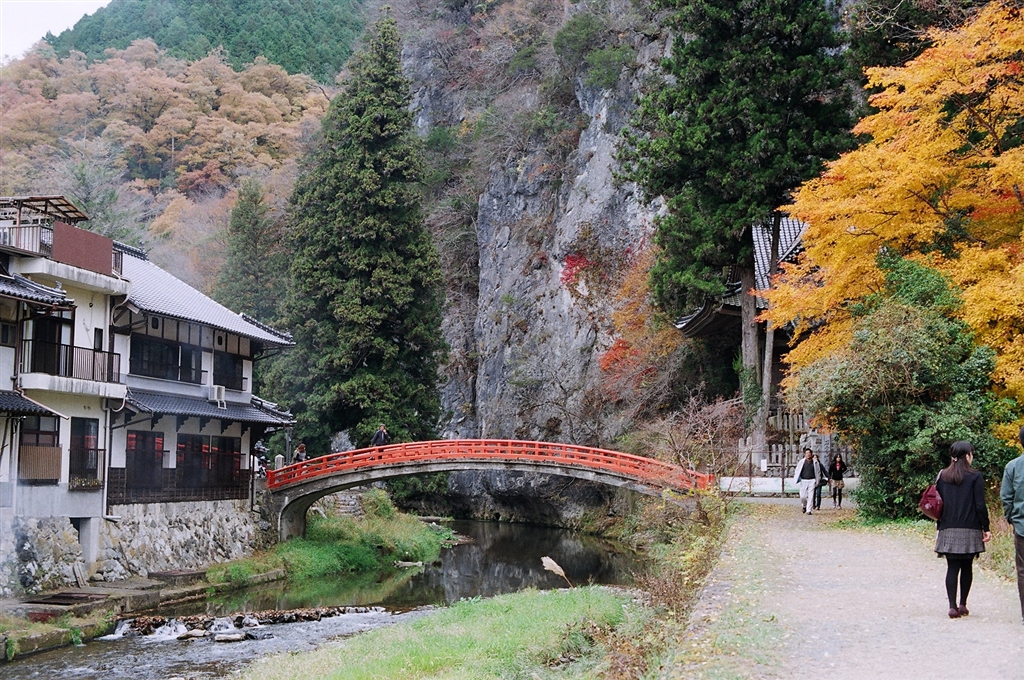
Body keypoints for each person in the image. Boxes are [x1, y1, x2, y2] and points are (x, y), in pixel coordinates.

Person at [934, 441, 991, 619]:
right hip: (970, 527)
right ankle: (963, 604)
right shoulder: (975, 476)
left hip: (948, 527)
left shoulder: (942, 475)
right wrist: (986, 527)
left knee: (952, 567)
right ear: (967, 455)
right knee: (967, 566)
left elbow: (938, 502)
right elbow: (980, 505)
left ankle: (952, 607)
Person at [1000, 425, 1024, 624]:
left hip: (1022, 526)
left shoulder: (1013, 466)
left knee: (1023, 571)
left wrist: (1012, 518)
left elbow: (1006, 497)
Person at [792, 447, 824, 514]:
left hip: (812, 480)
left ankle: (809, 510)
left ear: (811, 454)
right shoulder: (802, 462)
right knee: (803, 496)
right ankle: (804, 506)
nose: (808, 454)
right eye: (807, 453)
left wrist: (817, 480)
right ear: (805, 454)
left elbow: (818, 472)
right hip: (804, 480)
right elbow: (797, 470)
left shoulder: (815, 462)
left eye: (809, 453)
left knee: (811, 496)